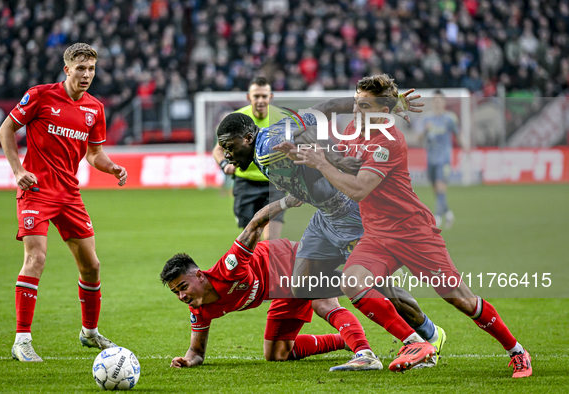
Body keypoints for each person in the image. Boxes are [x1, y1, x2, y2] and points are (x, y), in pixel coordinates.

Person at [292, 74, 532, 378]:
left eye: (364, 106)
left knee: (461, 299)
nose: (355, 110)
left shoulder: (389, 141)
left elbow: (358, 189)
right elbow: (342, 150)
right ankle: (414, 342)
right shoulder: (356, 128)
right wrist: (312, 156)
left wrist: (321, 162)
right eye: (356, 102)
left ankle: (517, 351)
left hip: (413, 233)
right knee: (352, 281)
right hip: (378, 235)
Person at [216, 92, 442, 372]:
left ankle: (427, 336)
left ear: (247, 138)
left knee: (379, 287)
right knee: (302, 284)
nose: (226, 153)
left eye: (228, 145)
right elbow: (328, 107)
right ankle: (365, 308)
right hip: (325, 216)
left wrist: (337, 155)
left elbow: (311, 131)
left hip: (351, 213)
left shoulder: (268, 146)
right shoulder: (273, 135)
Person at [0, 43, 128, 362]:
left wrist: (111, 167)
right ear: (67, 68)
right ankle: (22, 340)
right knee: (36, 258)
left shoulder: (95, 109)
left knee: (92, 266)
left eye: (91, 69)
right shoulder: (40, 95)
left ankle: (89, 332)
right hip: (37, 191)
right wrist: (18, 170)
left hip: (69, 194)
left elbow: (94, 153)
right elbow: (6, 129)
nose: (86, 75)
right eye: (80, 68)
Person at [161, 195, 382, 370]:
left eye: (183, 287)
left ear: (199, 276)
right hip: (280, 290)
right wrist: (188, 360)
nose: (182, 296)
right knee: (277, 354)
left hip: (296, 261)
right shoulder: (199, 309)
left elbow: (255, 224)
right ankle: (344, 339)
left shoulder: (228, 268)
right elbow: (196, 352)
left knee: (323, 304)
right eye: (176, 293)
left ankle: (364, 353)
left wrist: (286, 201)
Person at [212, 77, 286, 240]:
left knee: (271, 241)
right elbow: (217, 149)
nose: (260, 100)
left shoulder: (282, 118)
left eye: (264, 96)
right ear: (248, 97)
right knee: (250, 240)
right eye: (256, 96)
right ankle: (254, 265)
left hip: (274, 184)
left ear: (270, 97)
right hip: (246, 183)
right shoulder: (237, 120)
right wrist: (225, 165)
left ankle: (269, 265)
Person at [418, 89, 462, 228]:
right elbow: (419, 139)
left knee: (440, 186)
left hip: (444, 159)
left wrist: (466, 148)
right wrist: (425, 129)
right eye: (434, 100)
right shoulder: (426, 118)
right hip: (431, 159)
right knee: (436, 189)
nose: (436, 102)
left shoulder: (450, 118)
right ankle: (448, 213)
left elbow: (458, 134)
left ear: (444, 102)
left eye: (439, 100)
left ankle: (437, 218)